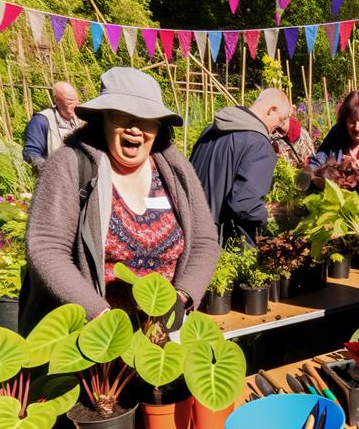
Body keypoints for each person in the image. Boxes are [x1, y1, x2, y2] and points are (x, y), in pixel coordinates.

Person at [23, 67, 218, 333]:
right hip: (95, 333)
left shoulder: (173, 168)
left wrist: (183, 295)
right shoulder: (70, 164)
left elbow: (205, 242)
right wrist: (99, 314)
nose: (136, 129)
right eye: (122, 116)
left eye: (148, 120)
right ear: (102, 119)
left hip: (162, 330)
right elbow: (46, 247)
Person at [191, 88, 292, 246]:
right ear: (271, 110)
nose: (279, 129)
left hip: (186, 227)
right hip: (213, 243)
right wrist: (270, 228)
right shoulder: (259, 145)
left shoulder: (210, 130)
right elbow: (245, 205)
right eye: (281, 120)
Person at [308, 90, 359, 189]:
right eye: (352, 122)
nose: (357, 127)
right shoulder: (338, 132)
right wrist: (311, 169)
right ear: (345, 121)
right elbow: (322, 153)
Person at [22, 81, 83, 171]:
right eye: (70, 104)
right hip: (55, 175)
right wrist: (48, 170)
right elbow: (31, 152)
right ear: (57, 101)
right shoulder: (41, 121)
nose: (75, 107)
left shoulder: (80, 119)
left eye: (76, 103)